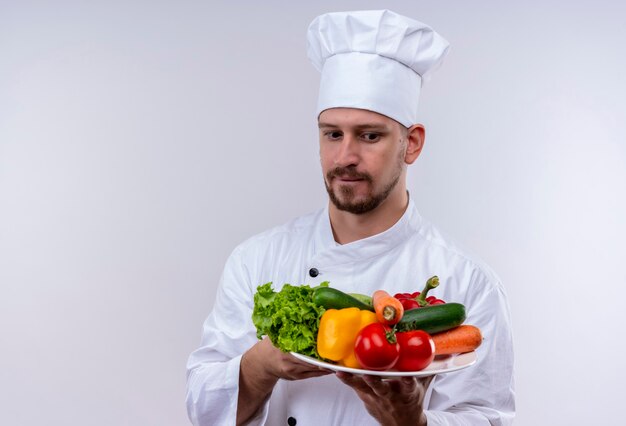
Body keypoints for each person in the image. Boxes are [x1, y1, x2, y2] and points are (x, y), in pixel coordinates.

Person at [186, 9, 515, 426]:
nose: (345, 157)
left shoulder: (469, 282)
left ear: (411, 144)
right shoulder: (256, 259)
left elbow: (487, 418)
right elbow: (201, 408)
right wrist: (260, 365)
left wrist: (414, 422)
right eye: (332, 133)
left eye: (370, 135)